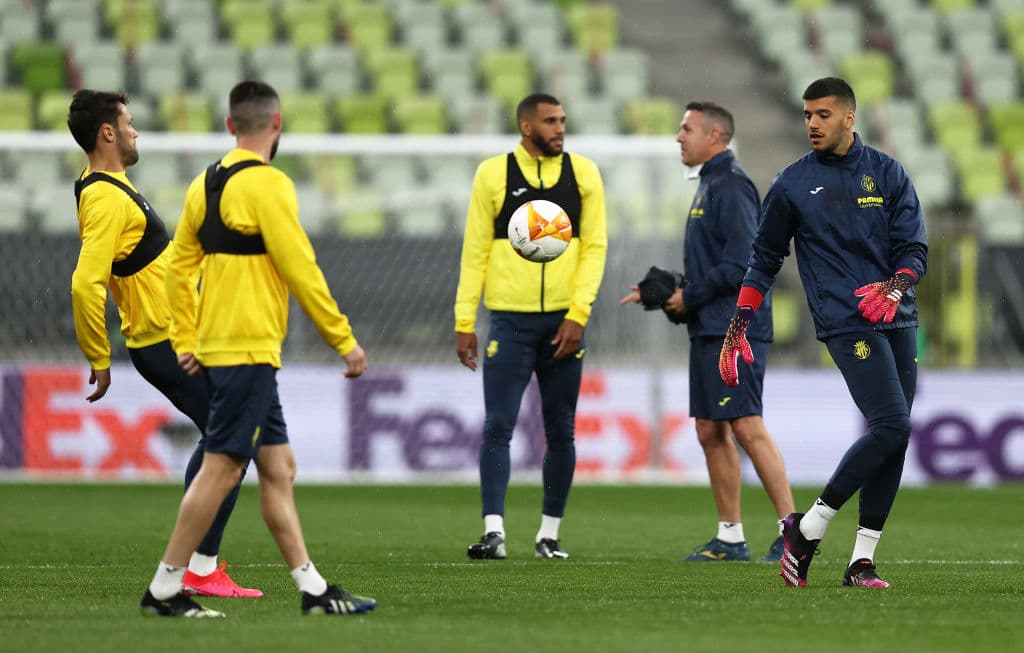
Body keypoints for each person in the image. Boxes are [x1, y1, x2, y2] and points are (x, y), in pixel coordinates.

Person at [139, 80, 376, 617]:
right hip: (247, 348)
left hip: (227, 347)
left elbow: (178, 268)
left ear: (230, 126)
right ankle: (164, 589)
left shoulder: (206, 182)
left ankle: (313, 589)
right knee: (221, 468)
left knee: (278, 467)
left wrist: (185, 337)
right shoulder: (271, 186)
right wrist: (343, 339)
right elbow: (300, 268)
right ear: (277, 123)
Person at [720, 77, 927, 589]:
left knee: (892, 438)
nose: (812, 123)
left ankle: (860, 563)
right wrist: (739, 322)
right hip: (845, 321)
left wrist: (898, 284)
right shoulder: (792, 184)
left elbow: (914, 248)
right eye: (807, 114)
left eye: (823, 114)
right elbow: (764, 260)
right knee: (892, 425)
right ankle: (808, 527)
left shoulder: (887, 173)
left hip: (898, 317)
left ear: (850, 117)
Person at [67, 90, 260, 599]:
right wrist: (97, 357)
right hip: (165, 341)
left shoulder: (108, 188)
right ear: (107, 132)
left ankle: (194, 563)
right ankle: (195, 567)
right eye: (129, 123)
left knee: (228, 439)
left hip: (174, 335)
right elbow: (85, 283)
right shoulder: (106, 197)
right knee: (232, 442)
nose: (135, 131)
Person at [620, 101, 795, 563]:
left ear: (716, 137)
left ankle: (794, 533)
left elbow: (742, 263)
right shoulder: (710, 185)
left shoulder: (731, 186)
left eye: (687, 129)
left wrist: (689, 296)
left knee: (745, 424)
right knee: (708, 429)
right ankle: (730, 537)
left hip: (734, 328)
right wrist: (668, 289)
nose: (679, 137)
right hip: (710, 327)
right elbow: (715, 263)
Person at [454, 93, 608, 560]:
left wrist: (578, 314)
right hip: (510, 322)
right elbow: (475, 250)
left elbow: (595, 247)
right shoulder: (493, 174)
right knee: (498, 424)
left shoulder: (584, 174)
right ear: (526, 126)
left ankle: (549, 535)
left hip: (565, 323)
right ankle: (494, 531)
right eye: (550, 121)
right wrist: (465, 320)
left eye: (562, 119)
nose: (560, 127)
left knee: (561, 429)